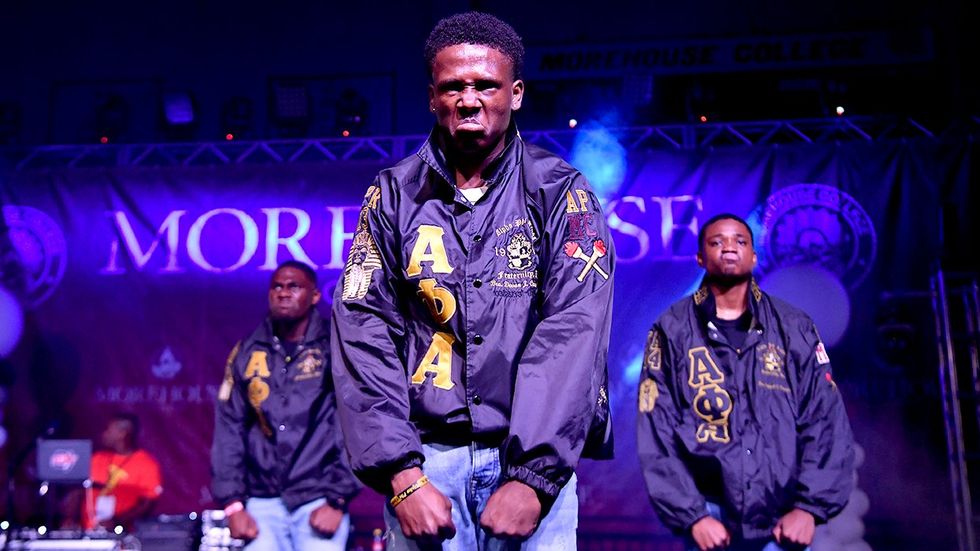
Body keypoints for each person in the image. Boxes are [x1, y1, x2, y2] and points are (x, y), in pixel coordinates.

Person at [331, 11, 615, 551]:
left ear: (516, 92)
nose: (469, 98)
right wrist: (401, 476)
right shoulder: (391, 196)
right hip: (427, 465)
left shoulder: (563, 193)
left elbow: (574, 333)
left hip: (530, 466)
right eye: (453, 86)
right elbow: (363, 333)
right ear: (432, 98)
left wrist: (533, 477)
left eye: (485, 84)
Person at [636, 214, 856, 551]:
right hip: (711, 519)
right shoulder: (672, 329)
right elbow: (657, 431)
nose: (729, 249)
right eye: (716, 242)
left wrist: (809, 508)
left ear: (753, 256)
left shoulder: (793, 326)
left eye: (740, 241)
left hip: (782, 522)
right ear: (699, 257)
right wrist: (693, 515)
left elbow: (825, 417)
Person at [212, 260, 360, 551]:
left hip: (319, 498)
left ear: (315, 296)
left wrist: (338, 498)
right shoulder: (246, 352)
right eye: (277, 286)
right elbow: (229, 428)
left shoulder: (335, 346)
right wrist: (232, 504)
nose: (283, 293)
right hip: (261, 503)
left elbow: (353, 423)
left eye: (294, 286)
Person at [83, 412, 162, 531]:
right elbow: (78, 491)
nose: (104, 434)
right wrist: (69, 518)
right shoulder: (97, 459)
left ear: (122, 434)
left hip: (123, 533)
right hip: (88, 531)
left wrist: (117, 521)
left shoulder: (146, 463)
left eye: (108, 430)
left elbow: (148, 503)